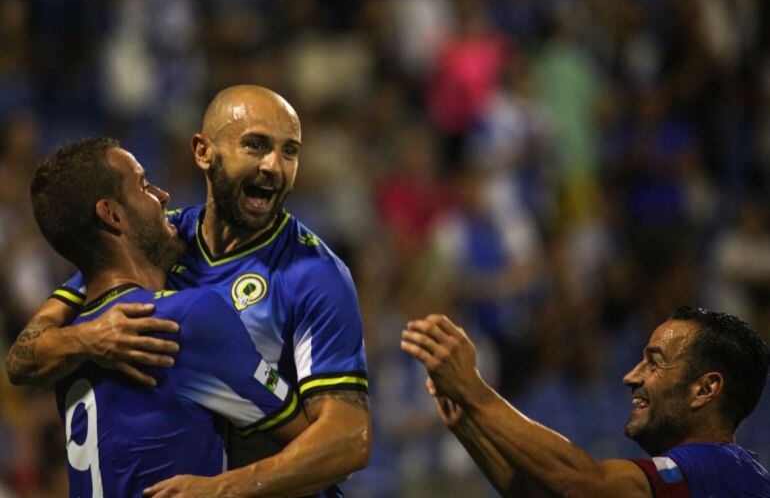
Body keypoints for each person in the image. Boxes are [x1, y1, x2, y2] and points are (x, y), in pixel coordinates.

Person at [5, 86, 371, 497]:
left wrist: (223, 488)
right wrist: (88, 338)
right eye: (256, 145)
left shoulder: (315, 274)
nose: (274, 166)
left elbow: (349, 440)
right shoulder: (158, 241)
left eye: (290, 151)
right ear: (203, 152)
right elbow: (22, 359)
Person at [27, 138, 308, 496]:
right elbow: (309, 441)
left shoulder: (67, 341)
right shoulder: (184, 317)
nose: (162, 196)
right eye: (144, 185)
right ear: (112, 215)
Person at [401, 309, 770, 496]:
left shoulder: (728, 471)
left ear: (704, 389)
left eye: (654, 362)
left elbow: (582, 483)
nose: (630, 376)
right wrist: (470, 424)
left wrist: (475, 391)